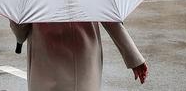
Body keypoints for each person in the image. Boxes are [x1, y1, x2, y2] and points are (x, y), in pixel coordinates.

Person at [10, 21, 148, 91]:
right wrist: (134, 57)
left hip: (46, 59)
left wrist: (20, 38)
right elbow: (110, 19)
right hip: (85, 57)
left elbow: (19, 27)